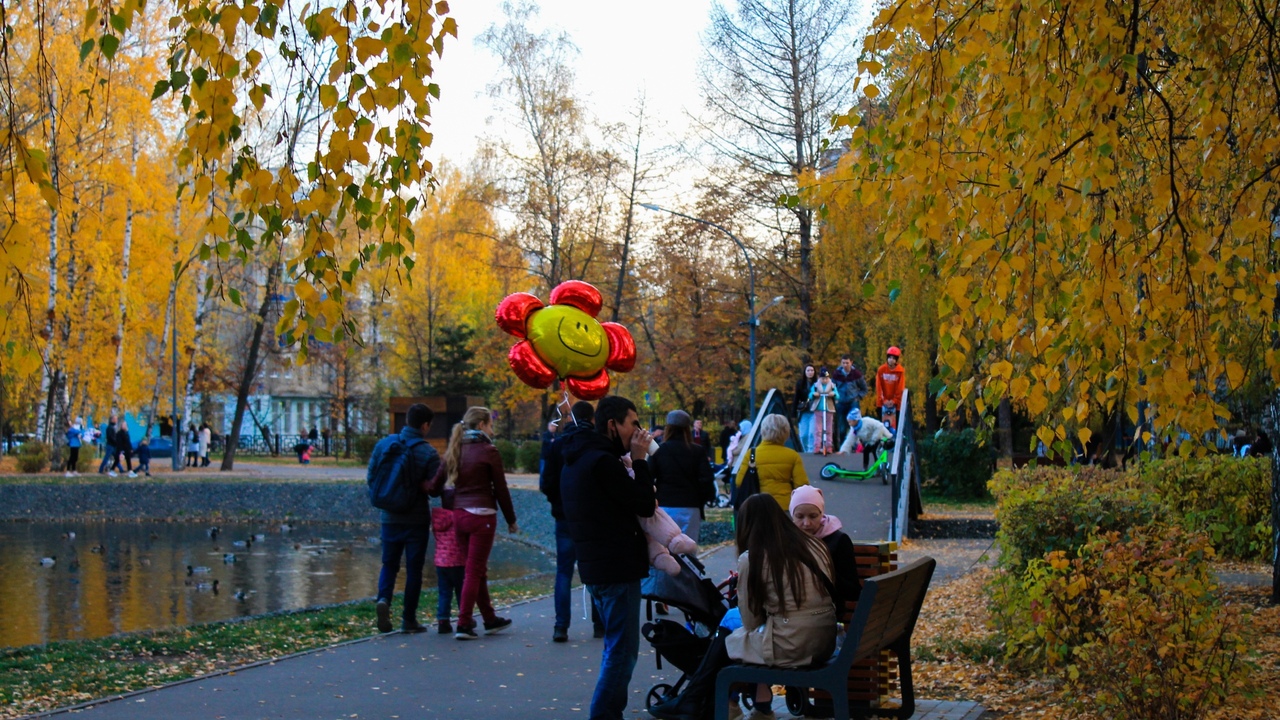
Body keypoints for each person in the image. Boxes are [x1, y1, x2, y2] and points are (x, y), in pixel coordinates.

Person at [647, 493, 838, 720]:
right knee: (732, 624)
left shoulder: (754, 558)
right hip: (824, 638)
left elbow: (751, 621)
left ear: (746, 526)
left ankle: (702, 699)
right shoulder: (815, 546)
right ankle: (743, 704)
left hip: (794, 643)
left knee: (730, 629)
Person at [560, 395, 656, 720]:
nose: (638, 432)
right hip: (615, 566)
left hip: (595, 566)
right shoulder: (602, 462)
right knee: (623, 652)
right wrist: (641, 461)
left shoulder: (577, 457)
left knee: (615, 648)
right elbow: (643, 503)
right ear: (613, 425)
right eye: (634, 423)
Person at [425, 406, 517, 640]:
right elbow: (501, 489)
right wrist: (511, 520)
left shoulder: (454, 450)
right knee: (474, 571)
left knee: (475, 569)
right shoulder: (489, 451)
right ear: (481, 425)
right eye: (490, 424)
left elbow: (434, 487)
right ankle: (464, 623)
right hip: (482, 517)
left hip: (459, 517)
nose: (492, 429)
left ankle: (489, 618)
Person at [367, 403, 441, 634]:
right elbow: (435, 489)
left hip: (389, 517)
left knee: (389, 564)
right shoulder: (428, 452)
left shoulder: (384, 445)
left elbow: (372, 477)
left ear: (406, 420)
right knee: (414, 570)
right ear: (425, 425)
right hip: (415, 519)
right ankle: (408, 619)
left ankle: (384, 600)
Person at [540, 401, 605, 642]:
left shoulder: (557, 445)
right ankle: (599, 623)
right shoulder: (597, 444)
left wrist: (558, 501)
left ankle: (561, 626)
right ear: (592, 419)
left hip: (564, 516)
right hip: (591, 516)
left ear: (570, 418)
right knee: (594, 570)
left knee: (564, 572)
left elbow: (546, 482)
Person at [651, 410, 716, 548]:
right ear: (687, 429)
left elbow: (649, 476)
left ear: (667, 428)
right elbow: (706, 479)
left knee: (665, 550)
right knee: (688, 551)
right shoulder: (697, 451)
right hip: (690, 506)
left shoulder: (659, 450)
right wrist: (700, 499)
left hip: (665, 505)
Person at [789, 485, 860, 609]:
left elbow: (853, 591)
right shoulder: (787, 541)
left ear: (821, 514)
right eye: (800, 517)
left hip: (827, 611)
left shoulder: (838, 540)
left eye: (813, 516)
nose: (807, 523)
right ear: (792, 516)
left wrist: (823, 570)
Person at [736, 413, 809, 510]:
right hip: (785, 507)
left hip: (759, 507)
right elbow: (801, 486)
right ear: (786, 432)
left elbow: (739, 481)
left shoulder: (751, 454)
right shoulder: (792, 455)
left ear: (762, 431)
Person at [431, 490, 465, 634]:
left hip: (441, 562)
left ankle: (443, 620)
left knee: (444, 592)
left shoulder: (437, 518)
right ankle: (464, 618)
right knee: (460, 592)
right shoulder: (459, 518)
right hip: (457, 562)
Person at [832, 355, 867, 445]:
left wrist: (858, 397)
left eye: (847, 363)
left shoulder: (856, 374)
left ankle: (857, 446)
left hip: (853, 402)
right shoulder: (837, 374)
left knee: (856, 425)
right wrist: (835, 397)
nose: (845, 365)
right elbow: (832, 387)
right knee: (842, 427)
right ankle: (843, 446)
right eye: (843, 363)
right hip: (841, 402)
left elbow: (864, 388)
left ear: (851, 362)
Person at [808, 369, 840, 455]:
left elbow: (837, 395)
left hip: (829, 409)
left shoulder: (832, 385)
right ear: (820, 378)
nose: (825, 380)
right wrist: (813, 394)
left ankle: (829, 446)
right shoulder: (815, 385)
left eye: (826, 378)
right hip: (818, 409)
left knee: (829, 429)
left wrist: (833, 394)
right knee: (818, 429)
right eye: (823, 378)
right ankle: (817, 447)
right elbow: (810, 395)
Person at [875, 347, 906, 429]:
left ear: (896, 360)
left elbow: (900, 388)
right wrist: (883, 400)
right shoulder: (881, 370)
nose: (891, 360)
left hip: (895, 403)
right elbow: (879, 387)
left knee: (895, 425)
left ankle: (895, 439)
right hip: (883, 402)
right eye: (889, 357)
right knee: (883, 425)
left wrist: (894, 401)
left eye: (893, 358)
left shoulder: (900, 372)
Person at [793, 364, 816, 453]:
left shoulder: (818, 383)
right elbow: (796, 398)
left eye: (812, 370)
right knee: (803, 435)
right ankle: (806, 451)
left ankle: (811, 452)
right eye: (808, 370)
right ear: (805, 372)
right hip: (803, 412)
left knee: (811, 434)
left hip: (814, 411)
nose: (810, 372)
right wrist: (794, 413)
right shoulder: (800, 383)